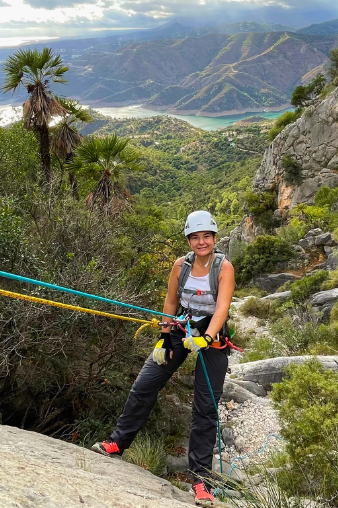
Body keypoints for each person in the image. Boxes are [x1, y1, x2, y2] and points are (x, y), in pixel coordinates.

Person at [91, 210, 234, 507]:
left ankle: (201, 482)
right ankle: (118, 443)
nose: (201, 242)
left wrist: (206, 339)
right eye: (195, 237)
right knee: (145, 384)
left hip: (212, 338)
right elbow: (171, 301)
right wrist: (163, 335)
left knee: (205, 408)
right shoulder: (180, 266)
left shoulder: (223, 268)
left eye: (206, 236)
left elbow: (221, 308)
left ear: (215, 238)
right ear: (189, 240)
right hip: (181, 329)